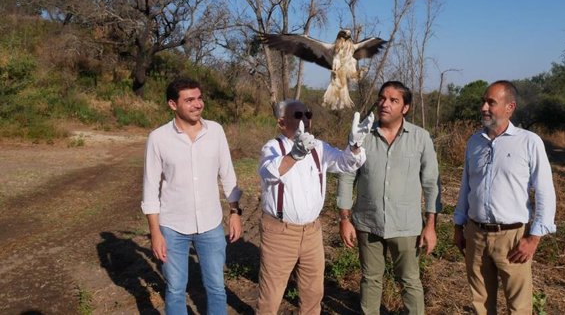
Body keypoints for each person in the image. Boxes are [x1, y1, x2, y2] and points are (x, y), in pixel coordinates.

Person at [257, 99, 374, 315]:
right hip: (280, 232)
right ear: (282, 123)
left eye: (308, 115)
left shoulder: (318, 147)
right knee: (271, 296)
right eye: (298, 115)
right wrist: (295, 155)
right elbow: (269, 172)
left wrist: (355, 145)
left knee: (313, 292)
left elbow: (345, 163)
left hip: (312, 232)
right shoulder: (273, 147)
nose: (305, 120)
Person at [337, 80, 442, 315]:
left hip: (406, 226)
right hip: (367, 222)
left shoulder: (420, 138)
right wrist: (344, 218)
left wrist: (431, 225)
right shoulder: (361, 136)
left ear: (405, 108)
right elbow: (346, 176)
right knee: (370, 279)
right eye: (383, 98)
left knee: (410, 281)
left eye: (394, 100)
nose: (385, 104)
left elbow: (432, 183)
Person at [453, 80, 557, 315]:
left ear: (510, 107)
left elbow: (545, 191)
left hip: (512, 238)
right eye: (483, 101)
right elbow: (466, 187)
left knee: (519, 307)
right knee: (480, 303)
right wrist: (459, 226)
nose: (484, 108)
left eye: (491, 102)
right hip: (475, 234)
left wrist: (534, 238)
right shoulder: (474, 142)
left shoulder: (529, 142)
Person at [141, 77, 243, 315]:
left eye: (199, 98)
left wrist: (235, 212)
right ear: (173, 105)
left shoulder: (215, 131)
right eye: (189, 100)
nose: (197, 104)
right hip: (172, 227)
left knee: (216, 287)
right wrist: (155, 232)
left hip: (211, 225)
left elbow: (227, 174)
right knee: (176, 289)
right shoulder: (158, 138)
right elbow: (150, 188)